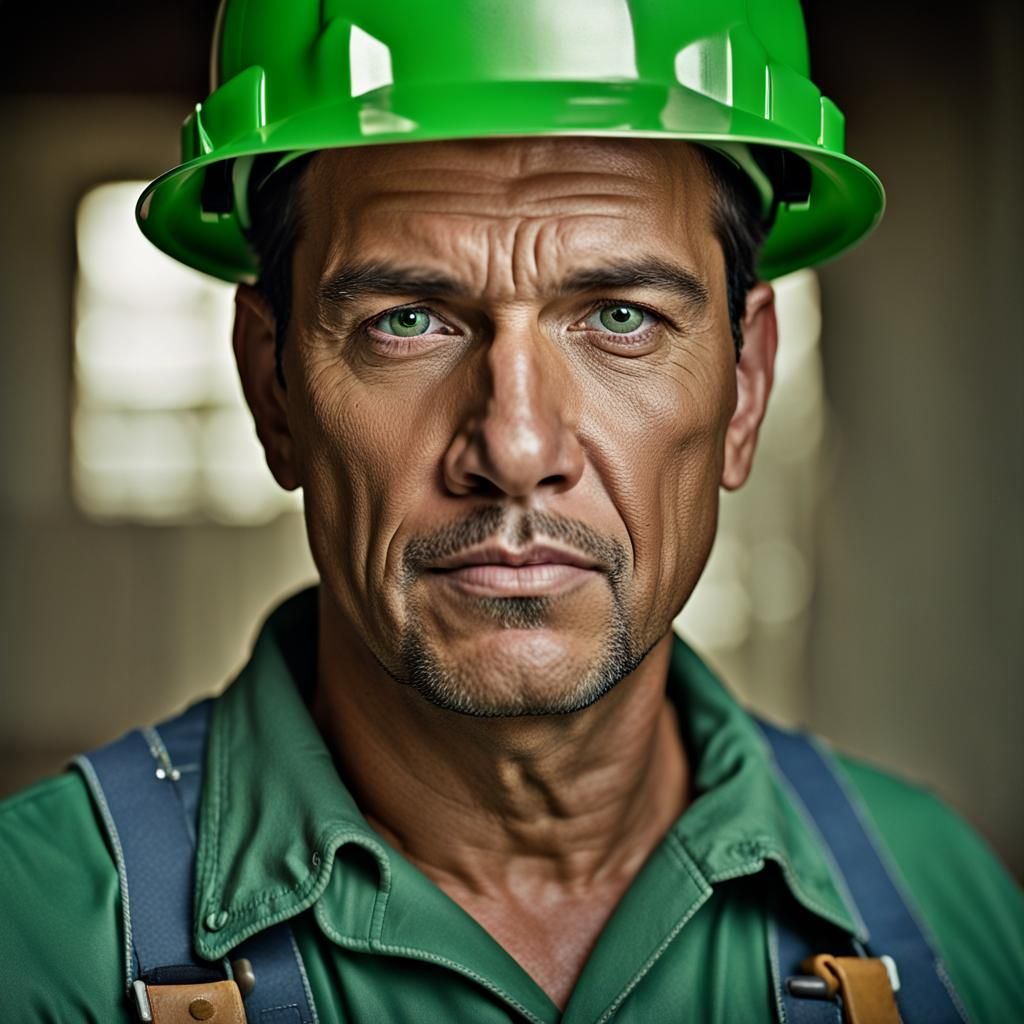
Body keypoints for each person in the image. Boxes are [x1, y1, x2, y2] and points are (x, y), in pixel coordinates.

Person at [1, 1, 1021, 1021]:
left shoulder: (943, 912)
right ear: (273, 388)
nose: (516, 447)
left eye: (620, 316)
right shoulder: (36, 939)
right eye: (408, 320)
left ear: (745, 385)